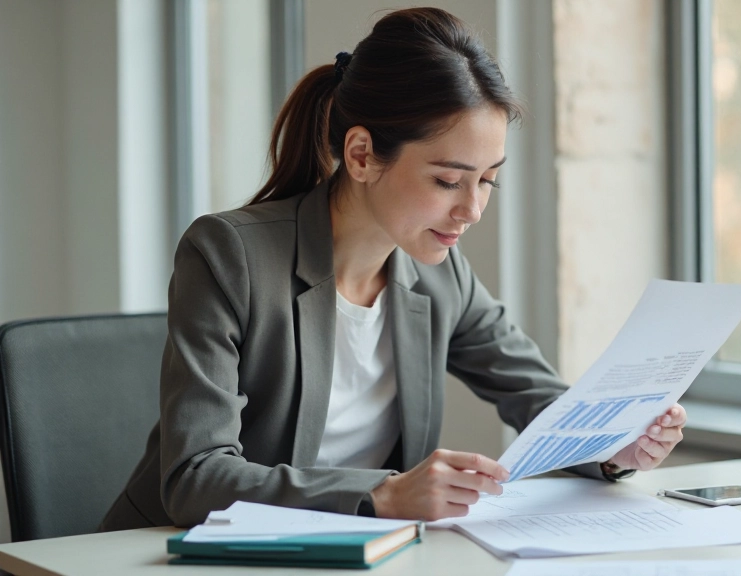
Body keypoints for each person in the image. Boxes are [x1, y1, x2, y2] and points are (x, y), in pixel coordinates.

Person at [100, 7, 686, 530]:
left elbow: (538, 399)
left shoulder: (440, 274)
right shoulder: (228, 255)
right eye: (448, 180)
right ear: (360, 155)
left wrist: (612, 445)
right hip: (165, 556)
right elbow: (195, 479)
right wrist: (381, 494)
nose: (473, 209)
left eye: (488, 180)